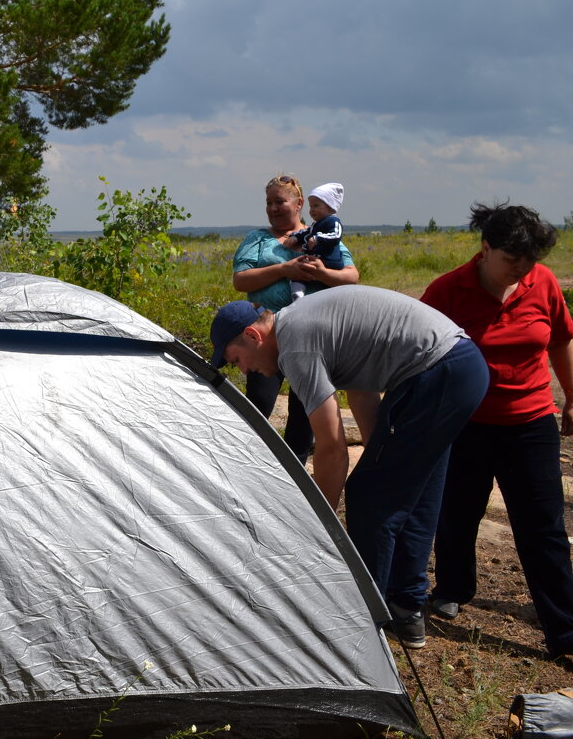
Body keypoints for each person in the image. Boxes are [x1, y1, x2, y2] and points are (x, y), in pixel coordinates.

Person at [210, 286, 489, 649]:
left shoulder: (295, 344)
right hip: (458, 367)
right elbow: (363, 388)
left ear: (252, 335)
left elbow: (330, 448)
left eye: (236, 359)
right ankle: (406, 609)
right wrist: (381, 456)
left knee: (368, 495)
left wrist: (321, 524)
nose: (244, 370)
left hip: (438, 371)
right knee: (413, 494)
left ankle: (361, 620)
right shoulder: (304, 326)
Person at [420, 203, 573, 660]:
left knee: (543, 525)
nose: (522, 271)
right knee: (458, 512)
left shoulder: (541, 283)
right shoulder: (447, 292)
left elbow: (562, 337)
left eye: (530, 263)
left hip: (531, 421)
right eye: (512, 261)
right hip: (467, 423)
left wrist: (571, 394)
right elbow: (418, 354)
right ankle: (452, 588)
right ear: (485, 249)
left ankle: (564, 631)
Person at [231, 174, 359, 463]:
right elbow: (241, 280)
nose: (273, 208)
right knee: (259, 403)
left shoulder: (322, 236)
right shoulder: (258, 239)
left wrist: (321, 273)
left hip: (311, 337)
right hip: (266, 339)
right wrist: (284, 270)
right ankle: (251, 463)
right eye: (269, 202)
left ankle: (296, 470)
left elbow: (351, 276)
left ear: (299, 203)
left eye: (280, 201)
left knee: (304, 410)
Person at [287, 183, 345, 301]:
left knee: (327, 284)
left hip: (330, 261)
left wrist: (318, 239)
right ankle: (297, 294)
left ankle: (332, 300)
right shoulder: (316, 224)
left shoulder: (333, 221)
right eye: (311, 206)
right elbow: (306, 232)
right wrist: (295, 237)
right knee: (298, 272)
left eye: (316, 206)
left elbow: (336, 235)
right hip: (317, 259)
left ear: (330, 207)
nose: (312, 210)